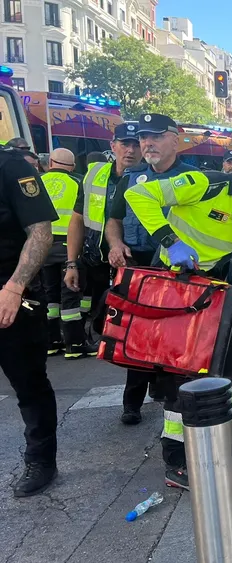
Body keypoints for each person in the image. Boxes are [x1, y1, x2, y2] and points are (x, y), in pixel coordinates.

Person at [123, 145, 232, 489]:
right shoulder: (205, 184)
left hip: (215, 294)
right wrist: (170, 241)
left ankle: (225, 439)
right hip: (178, 290)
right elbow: (138, 194)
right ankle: (177, 460)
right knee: (185, 377)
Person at [105, 114, 199, 421]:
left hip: (178, 271)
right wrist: (116, 244)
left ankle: (171, 397)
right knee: (136, 334)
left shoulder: (195, 178)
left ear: (175, 140)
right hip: (138, 267)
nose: (147, 143)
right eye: (144, 137)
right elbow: (113, 220)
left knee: (174, 337)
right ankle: (132, 401)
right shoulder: (131, 178)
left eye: (156, 137)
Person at [0, 145, 60, 497]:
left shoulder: (11, 167)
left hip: (10, 297)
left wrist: (14, 287)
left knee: (29, 386)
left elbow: (41, 231)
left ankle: (41, 461)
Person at [64, 123, 142, 372]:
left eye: (136, 144)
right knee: (98, 317)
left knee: (135, 328)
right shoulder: (95, 175)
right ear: (113, 146)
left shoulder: (149, 178)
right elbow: (76, 219)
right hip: (95, 261)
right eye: (124, 144)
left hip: (134, 262)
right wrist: (71, 262)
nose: (130, 150)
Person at [39, 148, 95, 359]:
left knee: (49, 297)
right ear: (72, 166)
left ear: (50, 162)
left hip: (41, 247)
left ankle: (52, 342)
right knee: (70, 296)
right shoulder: (78, 182)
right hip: (68, 246)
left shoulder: (37, 181)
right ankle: (75, 344)